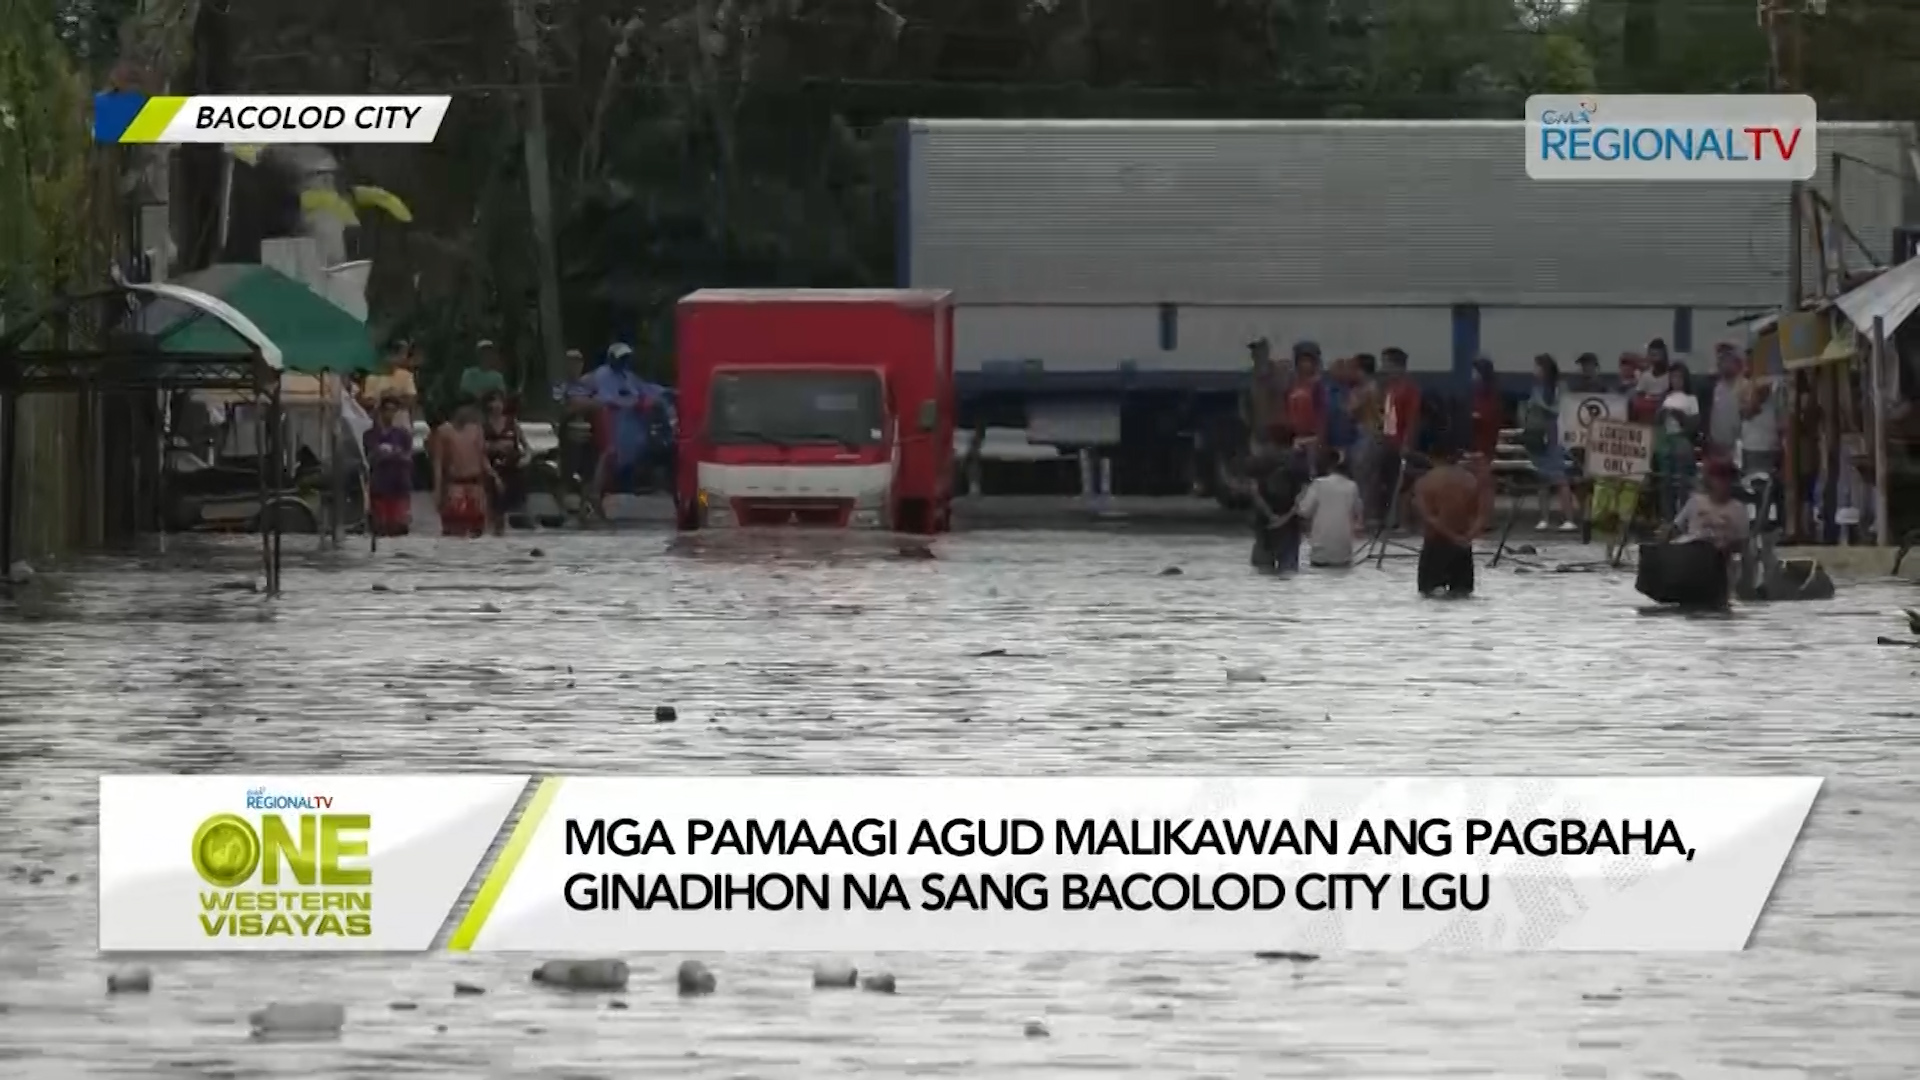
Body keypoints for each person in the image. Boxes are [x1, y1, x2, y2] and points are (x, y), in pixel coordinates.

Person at [1664, 457, 1750, 598]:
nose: (1723, 483)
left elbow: (1743, 543)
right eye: (1719, 478)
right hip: (1692, 560)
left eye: (1727, 478)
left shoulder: (1738, 509)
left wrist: (1728, 547)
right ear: (1709, 480)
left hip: (1721, 565)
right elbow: (1675, 528)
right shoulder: (1696, 502)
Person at [1411, 439, 1481, 597]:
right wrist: (1466, 537)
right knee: (1463, 594)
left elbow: (1429, 517)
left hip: (1436, 542)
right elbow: (1479, 516)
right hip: (1463, 543)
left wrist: (1452, 536)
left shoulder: (1425, 482)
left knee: (1430, 595)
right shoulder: (1470, 479)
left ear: (1432, 457)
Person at [1522, 354, 1578, 531]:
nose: (1535, 371)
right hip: (1538, 435)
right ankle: (1544, 517)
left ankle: (1569, 518)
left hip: (1555, 434)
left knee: (1560, 478)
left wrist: (1541, 406)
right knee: (1542, 479)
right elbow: (1531, 407)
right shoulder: (1536, 388)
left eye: (1538, 367)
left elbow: (1562, 407)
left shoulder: (1560, 386)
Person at [552, 348, 602, 516]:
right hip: (568, 435)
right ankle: (560, 509)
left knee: (588, 473)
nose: (574, 366)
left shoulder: (588, 384)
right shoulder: (560, 385)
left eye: (578, 363)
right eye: (571, 363)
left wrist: (577, 404)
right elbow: (561, 408)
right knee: (566, 473)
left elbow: (599, 404)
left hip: (587, 434)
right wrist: (581, 405)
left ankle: (584, 508)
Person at [432, 404, 494, 537]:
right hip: (455, 485)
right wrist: (437, 491)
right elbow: (438, 463)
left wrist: (494, 475)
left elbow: (482, 456)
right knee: (455, 529)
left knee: (476, 530)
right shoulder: (444, 431)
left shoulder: (476, 429)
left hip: (475, 485)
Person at [1297, 450, 1364, 567]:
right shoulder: (1352, 486)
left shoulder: (1318, 484)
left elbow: (1304, 511)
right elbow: (1358, 512)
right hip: (1344, 550)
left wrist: (1299, 498)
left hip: (1320, 549)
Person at [1378, 347, 1421, 526]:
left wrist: (1407, 443)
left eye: (1387, 364)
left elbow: (1412, 418)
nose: (1384, 368)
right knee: (1390, 481)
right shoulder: (1390, 388)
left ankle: (1404, 521)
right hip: (1389, 440)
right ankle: (1392, 517)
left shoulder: (1409, 389)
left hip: (1401, 441)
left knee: (1403, 484)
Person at [1248, 443, 1306, 573]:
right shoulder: (1295, 464)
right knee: (1288, 570)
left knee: (1262, 571)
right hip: (1286, 525)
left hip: (1266, 525)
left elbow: (1255, 493)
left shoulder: (1261, 463)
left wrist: (1271, 516)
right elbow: (1303, 494)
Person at [362, 392, 414, 536]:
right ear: (381, 411)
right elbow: (371, 457)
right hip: (379, 486)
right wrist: (393, 454)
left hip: (399, 485)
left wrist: (390, 454)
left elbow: (408, 458)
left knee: (399, 527)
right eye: (387, 410)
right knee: (380, 528)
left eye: (393, 410)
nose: (390, 414)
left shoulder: (403, 435)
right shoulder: (370, 434)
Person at [1654, 361, 1700, 522]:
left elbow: (1694, 424)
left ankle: (1683, 517)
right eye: (1673, 377)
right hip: (1665, 439)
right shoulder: (1665, 398)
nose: (1676, 380)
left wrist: (1679, 415)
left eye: (1679, 377)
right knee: (1665, 481)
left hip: (1681, 438)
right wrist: (1662, 413)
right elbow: (1657, 422)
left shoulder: (1691, 399)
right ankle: (1667, 516)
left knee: (1683, 482)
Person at [481, 391, 526, 535]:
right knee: (492, 506)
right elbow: (479, 450)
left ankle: (502, 533)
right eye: (493, 402)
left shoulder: (512, 423)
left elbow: (527, 448)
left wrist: (525, 460)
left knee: (507, 508)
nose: (497, 405)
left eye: (500, 402)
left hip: (511, 468)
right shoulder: (482, 425)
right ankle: (492, 531)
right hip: (490, 468)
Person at [1467, 356, 1503, 533]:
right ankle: (1481, 518)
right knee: (1479, 485)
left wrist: (1473, 417)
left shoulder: (1487, 394)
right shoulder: (1479, 392)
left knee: (1482, 485)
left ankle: (1484, 519)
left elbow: (1487, 417)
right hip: (1479, 443)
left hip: (1482, 443)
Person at [361, 339, 420, 431]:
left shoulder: (406, 376)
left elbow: (411, 400)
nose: (404, 358)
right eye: (402, 354)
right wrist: (383, 397)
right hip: (378, 418)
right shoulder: (372, 377)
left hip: (399, 418)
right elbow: (367, 401)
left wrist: (393, 397)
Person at [1284, 342, 1329, 459]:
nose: (1305, 365)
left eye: (1308, 361)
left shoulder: (1317, 386)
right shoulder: (1292, 385)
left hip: (1313, 437)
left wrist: (1320, 439)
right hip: (1295, 438)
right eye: (1302, 361)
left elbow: (1322, 413)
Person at [459, 339, 509, 403]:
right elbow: (464, 391)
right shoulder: (469, 373)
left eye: (489, 353)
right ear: (479, 355)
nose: (487, 355)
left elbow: (502, 395)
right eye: (484, 353)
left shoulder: (497, 376)